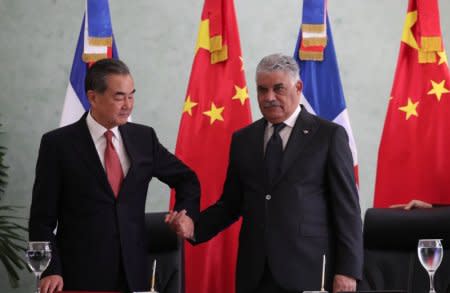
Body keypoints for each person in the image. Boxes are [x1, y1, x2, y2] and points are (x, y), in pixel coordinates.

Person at [167, 53, 363, 293]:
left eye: (278, 89)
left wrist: (348, 271)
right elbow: (231, 204)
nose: (269, 98)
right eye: (262, 90)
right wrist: (194, 227)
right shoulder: (244, 139)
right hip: (256, 274)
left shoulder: (328, 136)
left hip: (310, 272)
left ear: (298, 87)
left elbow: (347, 209)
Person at [29, 58, 200, 293]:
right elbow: (41, 220)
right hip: (78, 276)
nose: (128, 105)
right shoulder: (58, 144)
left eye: (132, 95)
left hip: (134, 275)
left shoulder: (144, 138)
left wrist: (187, 214)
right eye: (119, 96)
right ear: (93, 97)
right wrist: (50, 270)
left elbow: (187, 179)